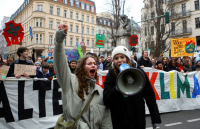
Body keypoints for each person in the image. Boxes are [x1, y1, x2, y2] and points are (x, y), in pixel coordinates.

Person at [53, 24, 113, 129]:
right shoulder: (71, 82)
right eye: (89, 64)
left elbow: (106, 121)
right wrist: (59, 40)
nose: (93, 65)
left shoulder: (100, 91)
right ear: (82, 67)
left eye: (95, 63)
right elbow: (60, 64)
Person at [103, 46, 161, 129]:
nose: (119, 60)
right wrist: (117, 87)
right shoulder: (111, 75)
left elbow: (150, 96)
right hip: (119, 121)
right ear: (113, 61)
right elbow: (107, 101)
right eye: (116, 58)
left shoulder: (139, 72)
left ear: (127, 58)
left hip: (138, 118)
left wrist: (155, 119)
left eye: (122, 57)